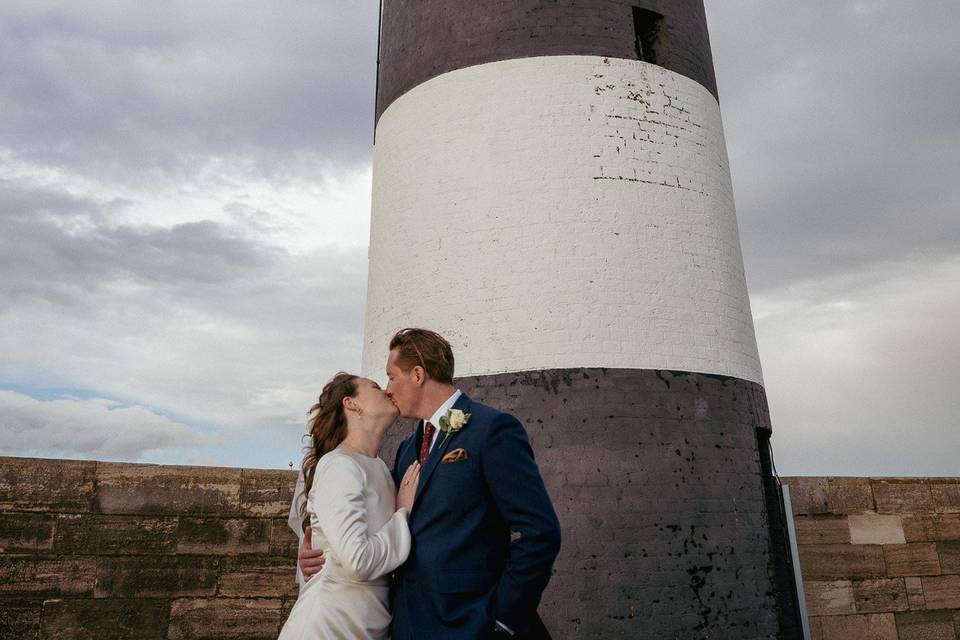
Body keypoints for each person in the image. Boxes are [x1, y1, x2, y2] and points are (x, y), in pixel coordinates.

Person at [295, 329, 562, 639]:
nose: (388, 389)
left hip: (471, 625)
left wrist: (503, 620)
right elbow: (374, 516)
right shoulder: (406, 450)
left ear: (418, 375)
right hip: (407, 626)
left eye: (391, 377)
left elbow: (540, 532)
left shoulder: (491, 430)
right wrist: (323, 549)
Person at [279, 372, 421, 640]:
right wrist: (402, 513)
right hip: (329, 625)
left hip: (368, 623)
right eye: (376, 386)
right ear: (351, 403)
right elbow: (358, 561)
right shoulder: (339, 466)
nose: (387, 390)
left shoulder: (380, 468)